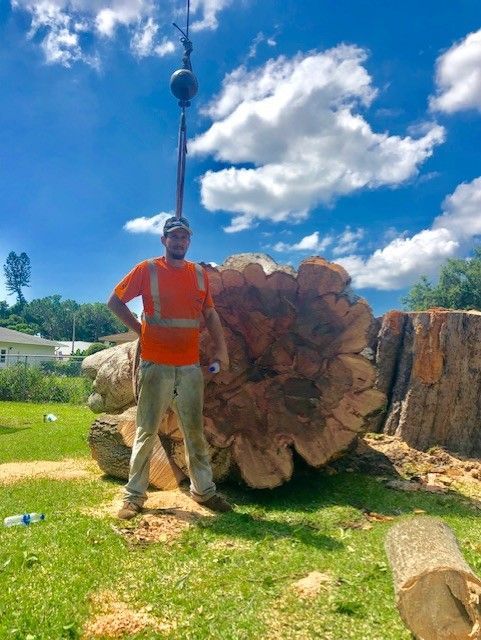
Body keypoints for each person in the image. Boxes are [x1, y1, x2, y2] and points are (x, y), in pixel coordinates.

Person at [107, 216, 232, 519]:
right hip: (155, 366)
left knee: (194, 433)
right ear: (163, 240)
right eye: (173, 237)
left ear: (189, 241)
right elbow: (114, 301)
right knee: (145, 431)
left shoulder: (199, 275)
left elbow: (211, 316)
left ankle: (204, 492)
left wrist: (222, 351)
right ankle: (134, 497)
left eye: (184, 237)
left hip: (189, 368)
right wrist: (140, 330)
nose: (179, 242)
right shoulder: (147, 270)